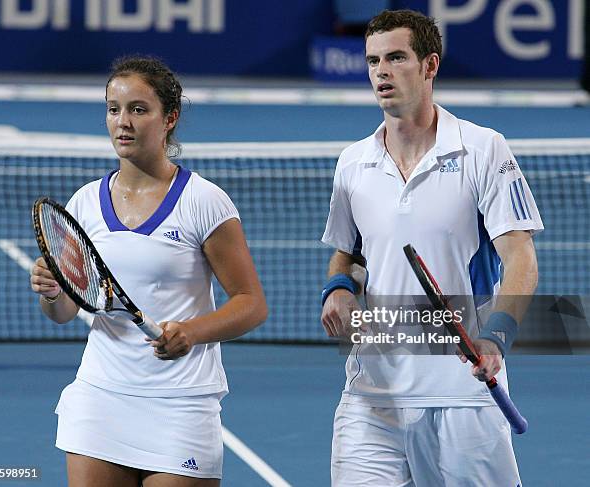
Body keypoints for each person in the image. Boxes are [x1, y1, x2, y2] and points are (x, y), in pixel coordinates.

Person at [320, 9, 542, 486]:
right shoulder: (353, 163)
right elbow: (349, 253)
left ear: (429, 65)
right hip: (372, 392)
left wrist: (496, 336)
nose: (382, 71)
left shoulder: (483, 149)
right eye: (373, 60)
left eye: (397, 57)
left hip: (463, 391)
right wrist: (338, 288)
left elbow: (520, 257)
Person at [30, 56, 268, 487]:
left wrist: (191, 332)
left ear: (169, 118)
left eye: (139, 109)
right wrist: (51, 292)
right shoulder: (84, 202)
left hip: (181, 403)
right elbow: (66, 312)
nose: (123, 121)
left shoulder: (205, 202)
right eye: (113, 108)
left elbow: (251, 304)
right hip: (101, 396)